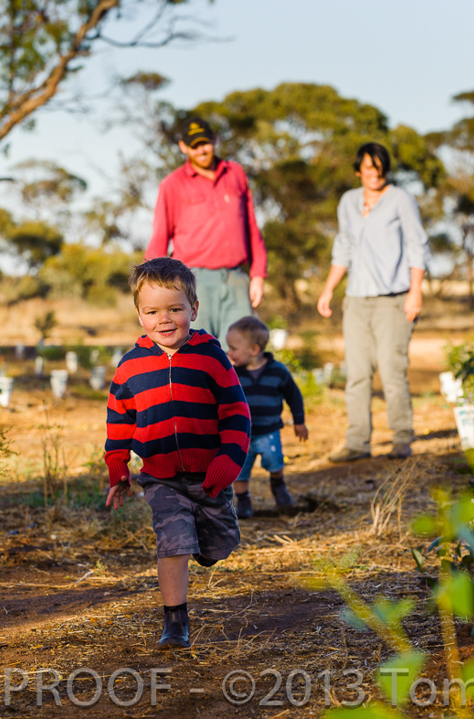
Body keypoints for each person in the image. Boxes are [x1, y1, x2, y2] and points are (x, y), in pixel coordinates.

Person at [104, 257, 251, 649]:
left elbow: (237, 413)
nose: (164, 320)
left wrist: (228, 461)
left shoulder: (211, 357)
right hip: (161, 478)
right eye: (152, 312)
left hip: (210, 476)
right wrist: (118, 467)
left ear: (194, 309)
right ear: (139, 315)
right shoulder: (130, 367)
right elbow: (118, 420)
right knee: (173, 543)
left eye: (174, 309)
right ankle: (175, 622)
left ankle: (205, 542)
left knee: (219, 544)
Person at [317, 143, 428, 462]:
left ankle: (402, 437)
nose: (374, 174)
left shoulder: (401, 199)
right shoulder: (348, 202)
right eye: (368, 168)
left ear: (386, 171)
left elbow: (417, 245)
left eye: (380, 168)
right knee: (356, 373)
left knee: (392, 370)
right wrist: (328, 290)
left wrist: (415, 291)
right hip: (356, 299)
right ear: (358, 171)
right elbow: (344, 247)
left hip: (393, 300)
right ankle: (357, 442)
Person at [145, 117, 267, 347]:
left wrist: (258, 274)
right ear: (183, 147)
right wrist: (151, 287)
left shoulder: (235, 174)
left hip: (236, 279)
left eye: (205, 143)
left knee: (241, 353)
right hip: (193, 281)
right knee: (197, 353)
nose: (201, 150)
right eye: (194, 145)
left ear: (214, 140)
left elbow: (251, 226)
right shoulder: (172, 184)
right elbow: (160, 237)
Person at [224, 316, 307, 518]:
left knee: (274, 460)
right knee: (240, 469)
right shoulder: (232, 374)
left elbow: (294, 396)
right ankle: (243, 500)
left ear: (254, 349)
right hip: (241, 435)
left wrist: (299, 421)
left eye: (233, 348)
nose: (229, 353)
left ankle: (278, 483)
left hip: (269, 431)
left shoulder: (278, 372)